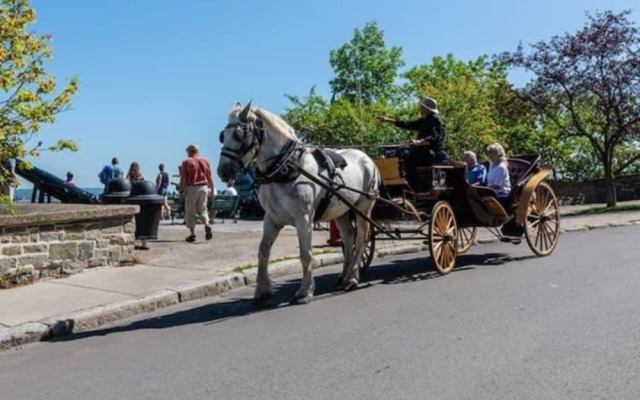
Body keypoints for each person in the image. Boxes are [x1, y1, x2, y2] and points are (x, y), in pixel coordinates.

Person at [377, 96, 448, 190]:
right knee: (404, 156)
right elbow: (408, 124)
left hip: (435, 153)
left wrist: (419, 141)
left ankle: (412, 188)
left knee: (413, 157)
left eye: (422, 108)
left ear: (428, 109)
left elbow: (434, 138)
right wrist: (388, 120)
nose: (421, 110)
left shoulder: (436, 120)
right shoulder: (424, 120)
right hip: (423, 151)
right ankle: (403, 184)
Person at [179, 144, 215, 243]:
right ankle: (207, 224)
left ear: (190, 152)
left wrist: (181, 191)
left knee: (190, 211)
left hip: (192, 188)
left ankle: (192, 234)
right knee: (203, 209)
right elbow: (210, 177)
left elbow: (183, 179)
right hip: (204, 187)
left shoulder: (187, 162)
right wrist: (212, 190)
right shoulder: (206, 161)